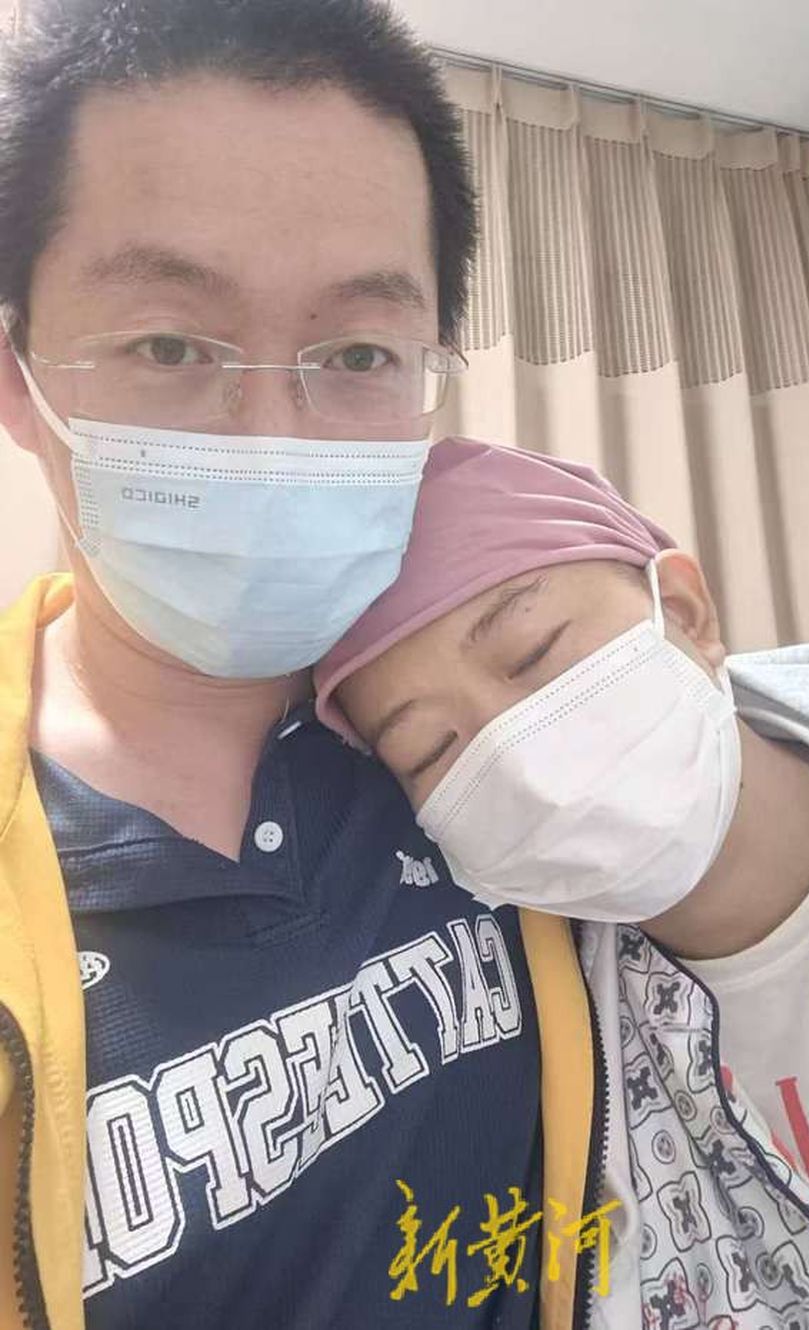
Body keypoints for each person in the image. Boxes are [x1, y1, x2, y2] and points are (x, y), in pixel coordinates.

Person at [0, 4, 600, 1327]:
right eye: (170, 345)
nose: (274, 431)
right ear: (15, 373)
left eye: (356, 355)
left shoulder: (495, 724)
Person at [316, 436, 809, 1330]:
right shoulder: (545, 1060)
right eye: (431, 750)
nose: (523, 767)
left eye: (533, 653)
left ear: (681, 610)